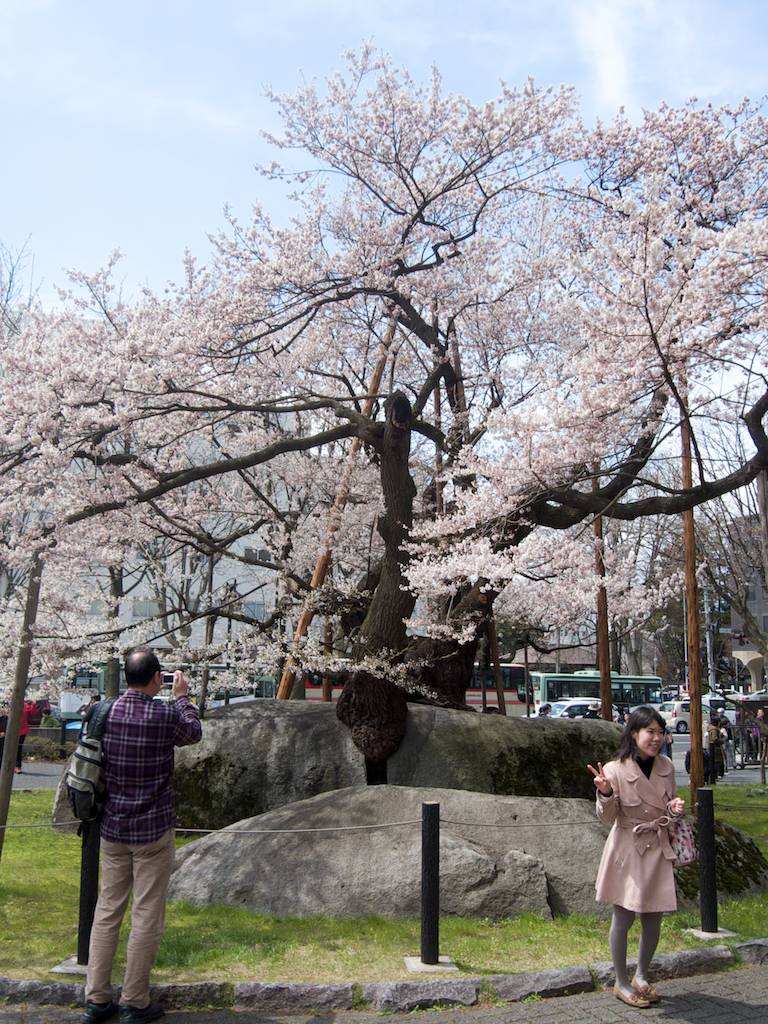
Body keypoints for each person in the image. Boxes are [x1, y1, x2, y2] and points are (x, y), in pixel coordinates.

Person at [82, 647, 202, 1024]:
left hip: (113, 826)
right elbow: (194, 733)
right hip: (153, 828)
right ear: (156, 679)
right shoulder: (166, 713)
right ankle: (135, 1000)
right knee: (146, 912)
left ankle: (97, 999)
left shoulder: (107, 710)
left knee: (107, 911)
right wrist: (183, 697)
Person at [588, 706, 685, 1009]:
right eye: (650, 732)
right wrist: (604, 793)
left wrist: (674, 810)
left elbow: (666, 811)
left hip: (657, 848)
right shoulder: (616, 770)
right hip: (628, 850)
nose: (656, 738)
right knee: (624, 917)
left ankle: (642, 975)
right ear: (634, 734)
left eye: (660, 732)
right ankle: (621, 981)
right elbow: (606, 818)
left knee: (653, 916)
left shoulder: (667, 766)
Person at [15, 699, 35, 774]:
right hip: (10, 731)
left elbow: (32, 712)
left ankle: (17, 766)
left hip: (22, 731)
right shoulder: (10, 707)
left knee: (18, 749)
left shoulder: (25, 707)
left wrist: (33, 704)